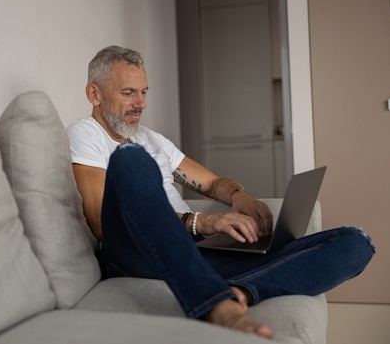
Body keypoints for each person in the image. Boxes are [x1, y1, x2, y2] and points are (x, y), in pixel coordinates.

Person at [66, 45, 374, 339]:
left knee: (355, 242)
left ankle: (240, 292)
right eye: (128, 92)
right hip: (133, 252)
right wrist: (201, 223)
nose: (141, 103)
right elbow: (99, 222)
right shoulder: (85, 134)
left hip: (194, 250)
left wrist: (242, 196)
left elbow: (213, 184)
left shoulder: (153, 139)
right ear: (94, 93)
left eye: (144, 92)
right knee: (130, 158)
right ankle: (214, 305)